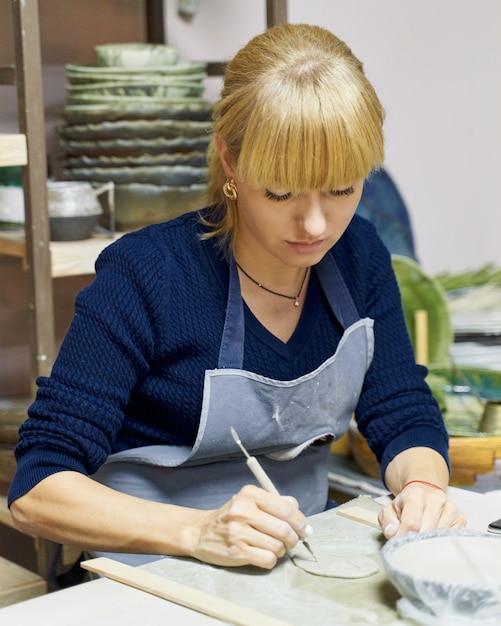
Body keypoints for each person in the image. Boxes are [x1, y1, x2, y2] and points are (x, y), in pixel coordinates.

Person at [8, 23, 465, 570]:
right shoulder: (148, 274)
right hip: (144, 578)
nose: (315, 224)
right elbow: (37, 488)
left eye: (342, 188)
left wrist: (422, 487)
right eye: (280, 190)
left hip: (292, 569)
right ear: (230, 162)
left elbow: (401, 410)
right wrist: (198, 531)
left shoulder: (358, 255)